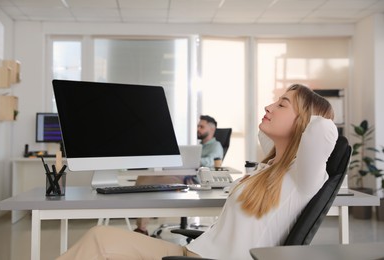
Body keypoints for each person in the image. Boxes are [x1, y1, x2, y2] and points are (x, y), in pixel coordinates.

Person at [56, 84, 338, 260]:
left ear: (303, 121)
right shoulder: (270, 168)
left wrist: (311, 109)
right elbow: (265, 137)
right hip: (193, 252)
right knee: (99, 236)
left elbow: (324, 130)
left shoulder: (304, 177)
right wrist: (290, 111)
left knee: (100, 246)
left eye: (281, 104)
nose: (268, 106)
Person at [133, 115, 223, 235]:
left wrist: (189, 159)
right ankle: (141, 224)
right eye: (198, 126)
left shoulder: (216, 146)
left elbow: (210, 162)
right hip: (183, 175)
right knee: (143, 178)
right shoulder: (199, 146)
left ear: (212, 129)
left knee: (151, 184)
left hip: (194, 181)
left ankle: (142, 229)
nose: (198, 129)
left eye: (202, 126)